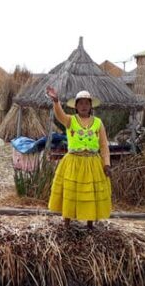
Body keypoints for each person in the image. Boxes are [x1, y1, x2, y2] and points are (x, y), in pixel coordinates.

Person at [45, 87, 111, 229]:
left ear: (91, 106)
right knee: (71, 190)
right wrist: (56, 101)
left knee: (90, 192)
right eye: (80, 103)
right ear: (75, 106)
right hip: (74, 161)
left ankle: (90, 223)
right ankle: (67, 222)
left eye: (87, 103)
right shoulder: (70, 120)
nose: (83, 106)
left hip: (93, 162)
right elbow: (60, 115)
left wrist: (106, 164)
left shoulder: (98, 123)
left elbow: (104, 145)